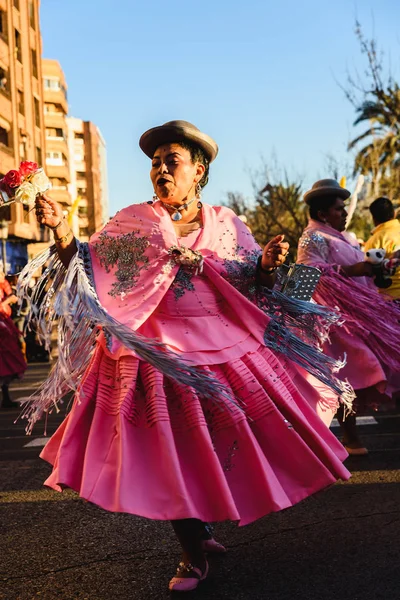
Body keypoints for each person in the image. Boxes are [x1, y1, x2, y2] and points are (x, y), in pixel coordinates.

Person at [21, 122, 352, 593]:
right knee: (167, 450)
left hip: (222, 349)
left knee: (215, 444)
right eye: (155, 163)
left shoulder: (225, 223)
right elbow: (88, 261)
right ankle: (192, 553)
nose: (159, 169)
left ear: (198, 170)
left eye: (170, 160)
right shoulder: (134, 221)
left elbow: (249, 276)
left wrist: (264, 264)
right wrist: (60, 230)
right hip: (152, 352)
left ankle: (201, 527)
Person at [297, 179, 400, 456]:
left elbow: (360, 270)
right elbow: (306, 277)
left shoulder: (346, 238)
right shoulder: (312, 238)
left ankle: (351, 439)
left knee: (361, 372)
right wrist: (354, 270)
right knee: (348, 375)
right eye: (339, 209)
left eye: (344, 208)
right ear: (322, 213)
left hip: (360, 317)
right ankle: (350, 438)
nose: (344, 213)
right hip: (334, 321)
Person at [364, 196, 400, 299]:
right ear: (394, 214)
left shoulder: (374, 240)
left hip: (392, 299)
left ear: (374, 219)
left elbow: (369, 272)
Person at [0, 269, 26, 408]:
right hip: (2, 329)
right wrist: (7, 301)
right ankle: (5, 398)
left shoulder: (3, 285)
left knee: (6, 363)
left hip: (4, 326)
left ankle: (6, 397)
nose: (2, 274)